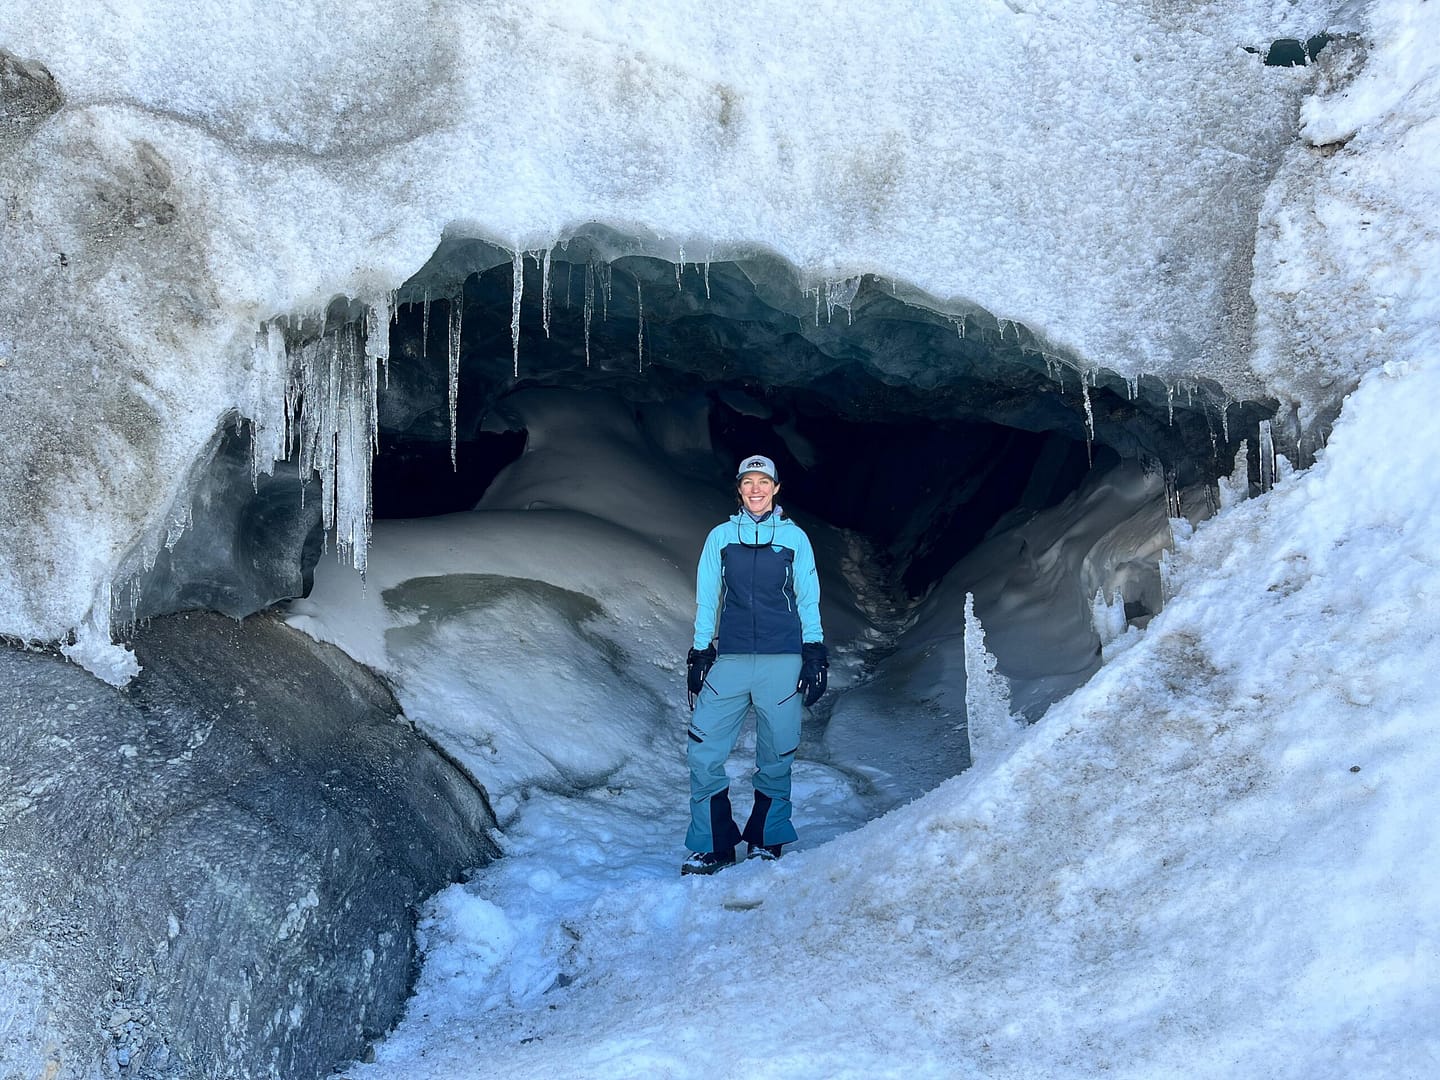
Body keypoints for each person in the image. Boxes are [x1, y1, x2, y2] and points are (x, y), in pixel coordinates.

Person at [681, 454, 829, 875]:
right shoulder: (721, 537)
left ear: (776, 488)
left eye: (764, 481)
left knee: (776, 754)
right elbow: (708, 597)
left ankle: (766, 838)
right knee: (703, 751)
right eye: (749, 482)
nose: (756, 489)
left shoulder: (795, 539)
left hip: (783, 661)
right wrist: (700, 651)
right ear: (739, 488)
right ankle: (715, 843)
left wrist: (814, 651)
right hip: (730, 658)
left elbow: (808, 597)